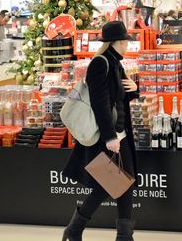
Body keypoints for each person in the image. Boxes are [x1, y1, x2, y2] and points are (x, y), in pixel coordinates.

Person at [61, 21, 139, 241]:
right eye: (125, 42)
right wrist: (109, 137)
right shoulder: (100, 64)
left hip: (120, 134)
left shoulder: (116, 63)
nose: (127, 46)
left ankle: (123, 237)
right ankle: (74, 229)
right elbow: (100, 103)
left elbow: (118, 96)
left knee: (125, 183)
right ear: (116, 42)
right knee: (107, 185)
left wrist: (135, 89)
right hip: (105, 136)